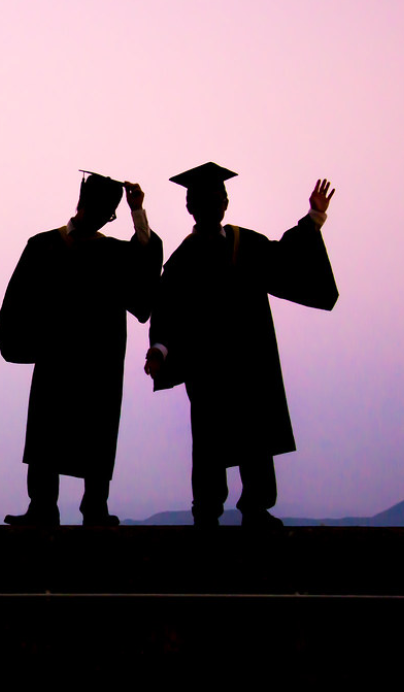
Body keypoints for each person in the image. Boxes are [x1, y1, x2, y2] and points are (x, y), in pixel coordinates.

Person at [144, 163, 338, 527]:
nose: (213, 204)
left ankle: (256, 507)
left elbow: (285, 257)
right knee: (208, 438)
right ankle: (207, 509)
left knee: (255, 435)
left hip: (250, 362)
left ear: (226, 202)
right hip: (207, 367)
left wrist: (313, 217)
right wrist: (160, 349)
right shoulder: (182, 260)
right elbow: (166, 310)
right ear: (190, 207)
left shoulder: (244, 243)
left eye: (218, 198)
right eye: (203, 199)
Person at [0, 173, 162, 526]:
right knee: (46, 434)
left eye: (110, 214)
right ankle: (41, 508)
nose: (105, 218)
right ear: (81, 205)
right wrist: (25, 342)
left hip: (100, 361)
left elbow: (145, 268)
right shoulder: (42, 245)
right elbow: (18, 302)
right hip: (56, 357)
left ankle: (95, 509)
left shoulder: (114, 253)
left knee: (97, 433)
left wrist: (137, 212)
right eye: (103, 210)